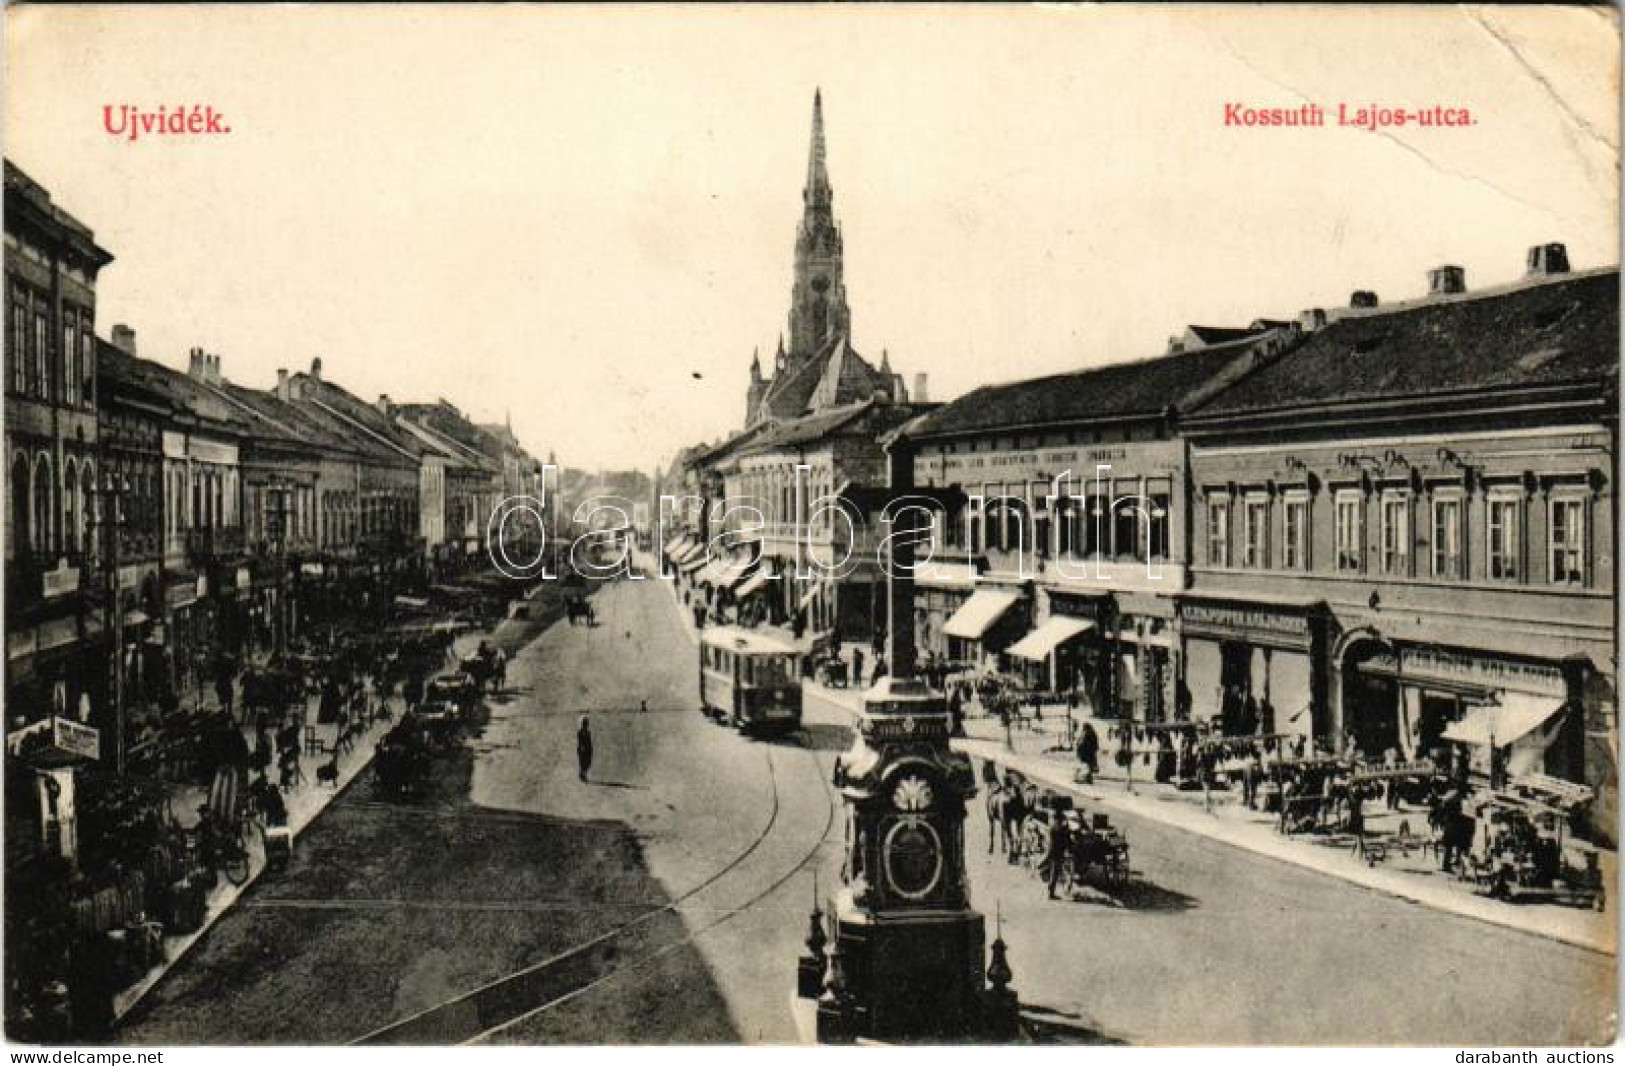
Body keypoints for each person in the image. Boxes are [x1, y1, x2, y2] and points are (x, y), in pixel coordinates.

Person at [576, 715, 594, 782]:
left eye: (586, 723)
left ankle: (583, 775)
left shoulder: (588, 732)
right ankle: (582, 776)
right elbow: (580, 742)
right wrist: (581, 748)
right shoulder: (580, 732)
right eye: (585, 723)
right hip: (583, 750)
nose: (586, 725)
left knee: (588, 763)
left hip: (588, 749)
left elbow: (589, 741)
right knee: (583, 763)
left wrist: (591, 749)